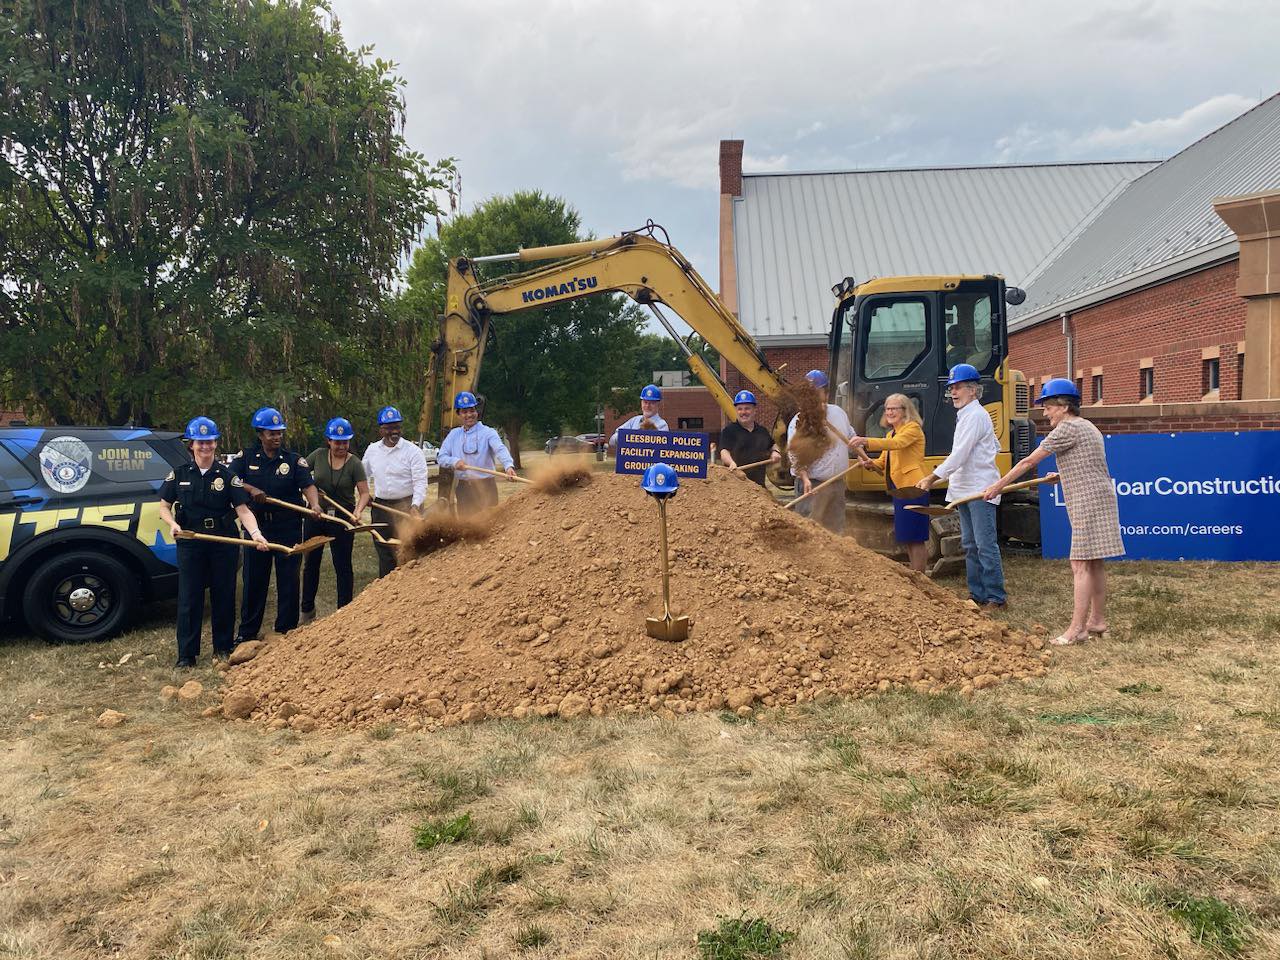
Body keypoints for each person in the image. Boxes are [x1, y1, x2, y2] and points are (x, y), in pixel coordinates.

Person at [984, 378, 1123, 645]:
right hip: (1099, 496)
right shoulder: (1087, 427)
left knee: (1080, 563)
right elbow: (1089, 463)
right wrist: (1062, 474)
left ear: (1064, 405)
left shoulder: (1066, 429)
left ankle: (1077, 630)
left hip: (1088, 500)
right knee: (1094, 562)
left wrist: (999, 486)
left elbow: (1028, 460)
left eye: (1048, 406)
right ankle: (1097, 621)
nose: (1045, 412)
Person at [158, 417, 269, 667]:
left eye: (209, 442)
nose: (205, 447)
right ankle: (187, 655)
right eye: (200, 442)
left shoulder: (228, 476)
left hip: (223, 542)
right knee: (189, 597)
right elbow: (164, 506)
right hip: (191, 542)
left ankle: (222, 646)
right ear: (191, 445)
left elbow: (242, 510)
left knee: (224, 594)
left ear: (215, 443)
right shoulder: (178, 475)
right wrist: (172, 524)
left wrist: (256, 534)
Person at [916, 364, 1006, 611]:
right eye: (951, 388)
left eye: (958, 388)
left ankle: (996, 598)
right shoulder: (965, 415)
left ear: (973, 390)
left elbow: (960, 454)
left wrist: (932, 477)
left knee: (985, 545)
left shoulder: (976, 416)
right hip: (964, 490)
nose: (953, 392)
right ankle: (976, 595)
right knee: (969, 544)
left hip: (980, 490)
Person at [230, 407, 321, 643]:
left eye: (279, 432)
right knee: (253, 581)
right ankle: (247, 632)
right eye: (271, 433)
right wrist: (252, 489)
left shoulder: (293, 460)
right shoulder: (246, 458)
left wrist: (315, 505)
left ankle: (286, 629)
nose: (276, 437)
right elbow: (233, 481)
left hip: (288, 527)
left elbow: (308, 485)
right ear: (260, 434)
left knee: (289, 580)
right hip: (257, 528)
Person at [300, 417, 371, 623]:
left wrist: (357, 512)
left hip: (342, 516)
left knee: (343, 564)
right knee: (311, 562)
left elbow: (364, 493)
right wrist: (311, 492)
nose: (341, 446)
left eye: (345, 441)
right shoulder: (318, 456)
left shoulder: (355, 463)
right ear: (328, 441)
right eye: (337, 441)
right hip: (316, 514)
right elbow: (301, 474)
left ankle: (344, 611)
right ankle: (306, 611)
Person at [850, 394, 930, 572]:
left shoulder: (912, 429)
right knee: (908, 536)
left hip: (913, 488)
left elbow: (897, 444)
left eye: (894, 408)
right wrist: (869, 464)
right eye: (887, 408)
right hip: (898, 489)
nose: (890, 412)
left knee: (916, 536)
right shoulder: (890, 433)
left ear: (905, 411)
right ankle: (916, 575)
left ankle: (921, 578)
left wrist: (865, 440)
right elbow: (883, 462)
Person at [361, 404, 429, 577]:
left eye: (397, 427)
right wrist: (365, 492)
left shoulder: (413, 452)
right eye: (389, 428)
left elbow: (420, 482)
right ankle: (386, 589)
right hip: (381, 508)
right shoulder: (372, 450)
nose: (394, 432)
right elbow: (363, 475)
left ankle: (409, 590)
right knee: (384, 550)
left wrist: (415, 505)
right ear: (380, 430)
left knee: (408, 549)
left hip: (408, 506)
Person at [787, 369, 856, 534]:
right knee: (810, 531)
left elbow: (851, 437)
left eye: (818, 392)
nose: (815, 398)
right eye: (811, 394)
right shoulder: (799, 420)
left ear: (826, 393)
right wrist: (804, 478)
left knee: (835, 530)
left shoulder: (838, 413)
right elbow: (794, 455)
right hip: (812, 485)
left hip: (836, 483)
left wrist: (862, 453)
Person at [438, 391, 517, 514]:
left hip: (487, 487)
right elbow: (441, 457)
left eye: (472, 410)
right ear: (458, 414)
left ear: (477, 411)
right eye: (464, 412)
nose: (469, 415)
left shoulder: (488, 433)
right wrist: (454, 461)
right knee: (468, 527)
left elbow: (500, 449)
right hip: (464, 489)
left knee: (491, 524)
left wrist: (508, 466)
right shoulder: (453, 435)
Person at [719, 389, 781, 487]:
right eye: (740, 409)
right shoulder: (729, 431)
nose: (743, 412)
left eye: (747, 408)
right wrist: (731, 463)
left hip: (759, 487)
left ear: (754, 410)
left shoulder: (762, 431)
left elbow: (773, 445)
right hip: (736, 486)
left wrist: (775, 452)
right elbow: (724, 452)